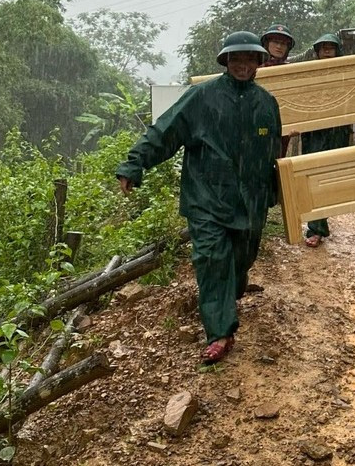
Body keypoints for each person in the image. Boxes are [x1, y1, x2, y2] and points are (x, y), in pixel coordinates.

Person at [115, 31, 281, 363]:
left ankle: (227, 298)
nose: (243, 65)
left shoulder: (266, 103)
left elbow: (275, 152)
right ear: (226, 61)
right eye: (236, 59)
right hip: (206, 198)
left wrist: (276, 191)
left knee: (240, 261)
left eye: (250, 59)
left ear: (259, 63)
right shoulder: (202, 97)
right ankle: (220, 333)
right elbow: (165, 130)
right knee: (211, 260)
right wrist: (134, 164)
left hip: (250, 202)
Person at [298, 33, 352, 248]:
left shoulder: (346, 74)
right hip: (314, 133)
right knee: (313, 177)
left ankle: (320, 222)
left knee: (329, 178)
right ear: (317, 52)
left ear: (337, 51)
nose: (327, 51)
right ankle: (317, 227)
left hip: (338, 131)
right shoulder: (306, 75)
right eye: (323, 48)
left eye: (331, 48)